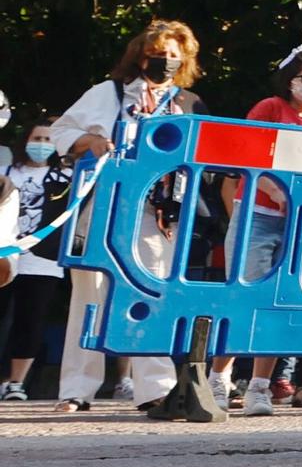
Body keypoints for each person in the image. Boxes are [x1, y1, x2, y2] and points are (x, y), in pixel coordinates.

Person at [50, 20, 207, 413]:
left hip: (157, 215)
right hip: (106, 206)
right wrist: (93, 143)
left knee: (151, 294)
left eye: (174, 56)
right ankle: (76, 390)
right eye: (158, 54)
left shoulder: (188, 103)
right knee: (91, 294)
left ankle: (154, 387)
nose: (166, 62)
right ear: (140, 56)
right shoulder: (110, 93)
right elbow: (62, 131)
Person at [214, 44, 302, 417]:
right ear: (289, 79)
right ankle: (218, 380)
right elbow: (246, 152)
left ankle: (259, 386)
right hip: (256, 212)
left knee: (277, 300)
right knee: (243, 295)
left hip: (299, 220)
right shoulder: (270, 108)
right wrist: (274, 190)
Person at [0, 120, 69, 400]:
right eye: (37, 137)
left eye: (48, 139)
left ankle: (16, 382)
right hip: (6, 256)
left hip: (43, 260)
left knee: (32, 321)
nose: (42, 144)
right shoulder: (6, 172)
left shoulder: (66, 176)